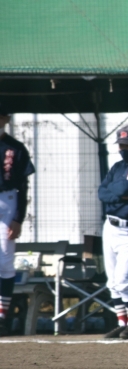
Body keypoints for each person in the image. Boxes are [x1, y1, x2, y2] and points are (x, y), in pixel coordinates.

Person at [98, 124, 128, 340]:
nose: (124, 149)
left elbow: (125, 189)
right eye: (121, 145)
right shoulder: (118, 167)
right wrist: (119, 194)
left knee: (124, 280)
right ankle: (122, 322)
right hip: (110, 226)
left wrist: (117, 192)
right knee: (112, 282)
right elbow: (102, 192)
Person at [0, 103, 35, 336]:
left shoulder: (15, 147)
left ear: (6, 119)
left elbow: (23, 185)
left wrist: (18, 218)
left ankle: (2, 316)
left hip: (7, 201)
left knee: (4, 260)